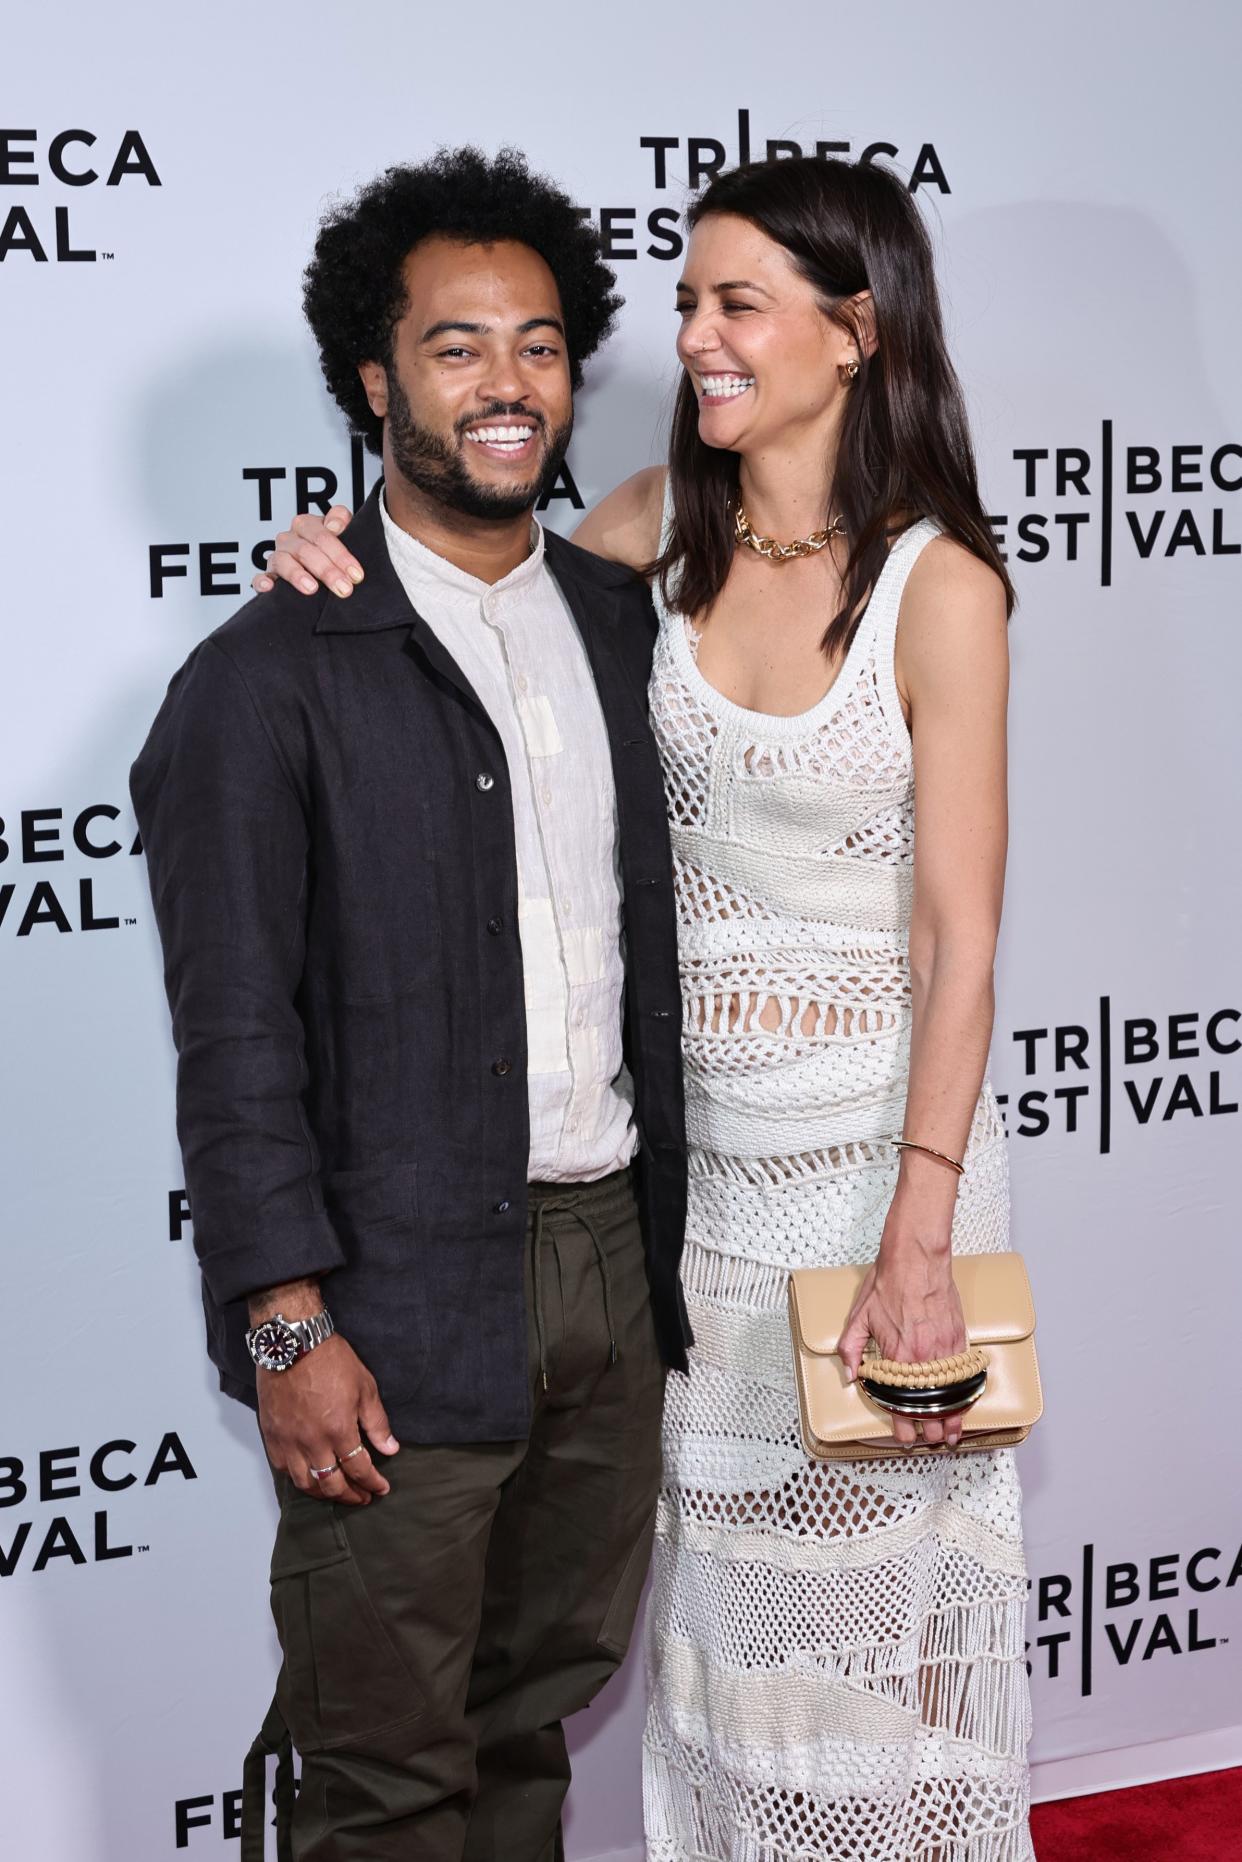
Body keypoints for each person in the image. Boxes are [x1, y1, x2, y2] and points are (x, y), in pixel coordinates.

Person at [260, 154, 1032, 1860]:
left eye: (735, 303)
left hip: (876, 1181)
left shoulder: (940, 586)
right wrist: (320, 547)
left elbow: (958, 944)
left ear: (856, 327)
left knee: (877, 1645)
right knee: (720, 1657)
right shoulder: (649, 529)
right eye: (685, 301)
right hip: (690, 1204)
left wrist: (918, 1229)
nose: (692, 337)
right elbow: (461, 571)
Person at [131, 146, 692, 1862]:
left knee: (532, 1727)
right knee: (382, 1779)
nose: (506, 383)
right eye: (455, 347)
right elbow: (236, 1041)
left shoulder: (621, 622)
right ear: (373, 381)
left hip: (612, 1269)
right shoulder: (263, 678)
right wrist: (284, 1326)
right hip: (390, 1296)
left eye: (535, 343)